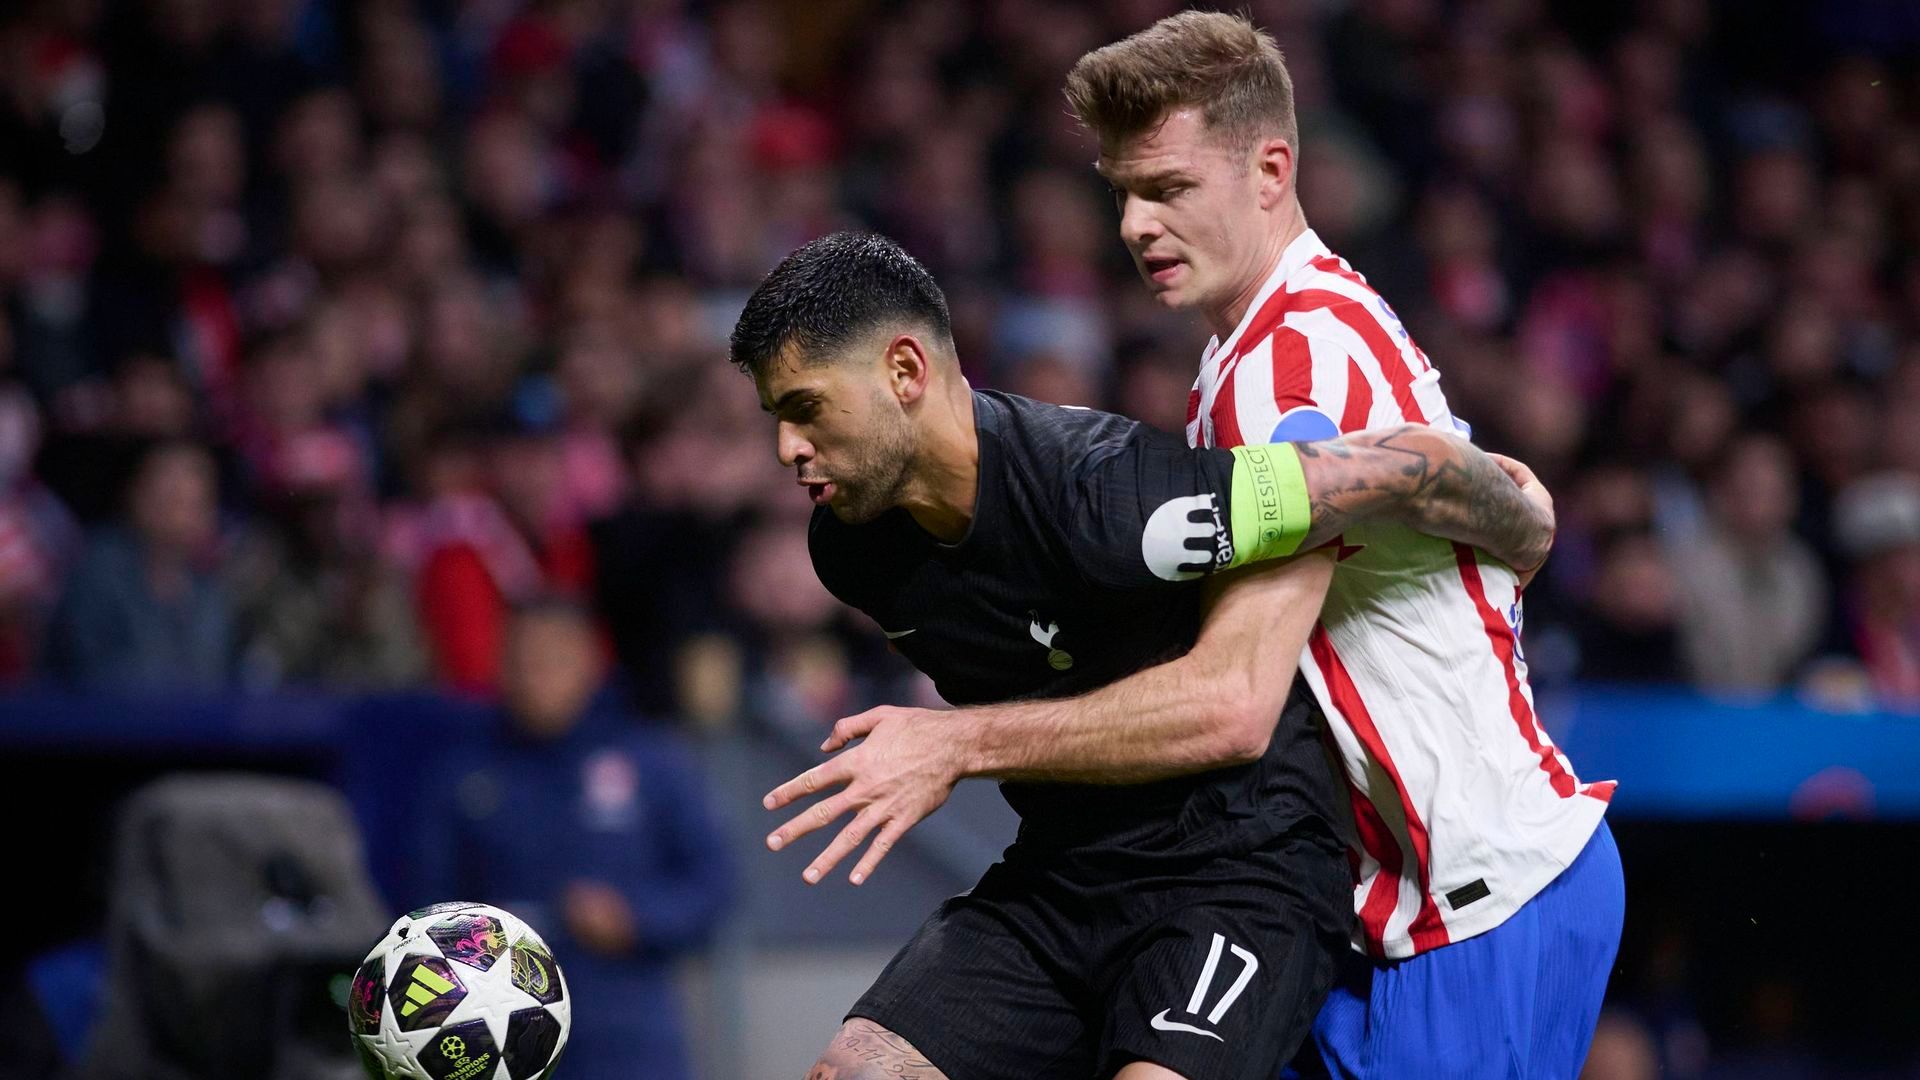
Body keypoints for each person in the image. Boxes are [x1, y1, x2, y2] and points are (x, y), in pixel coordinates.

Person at [730, 232, 1555, 1080]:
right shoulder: (852, 549)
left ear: (905, 372)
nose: (788, 447)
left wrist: (1524, 523)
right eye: (775, 418)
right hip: (1059, 879)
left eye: (806, 407)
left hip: (1240, 872)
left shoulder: (1108, 494)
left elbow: (1390, 474)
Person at [1063, 12, 1622, 1077]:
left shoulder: (1289, 368)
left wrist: (963, 745)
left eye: (1169, 188)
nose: (1135, 224)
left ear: (1272, 169)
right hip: (1419, 899)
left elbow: (1235, 699)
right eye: (1123, 193)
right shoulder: (1273, 336)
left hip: (1474, 905)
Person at [416, 598, 734, 1080]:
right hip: (499, 1031)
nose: (536, 679)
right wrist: (480, 938)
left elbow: (714, 884)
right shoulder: (464, 772)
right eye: (522, 661)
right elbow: (424, 902)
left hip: (628, 1033)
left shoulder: (650, 760)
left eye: (553, 661)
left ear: (590, 663)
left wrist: (634, 917)